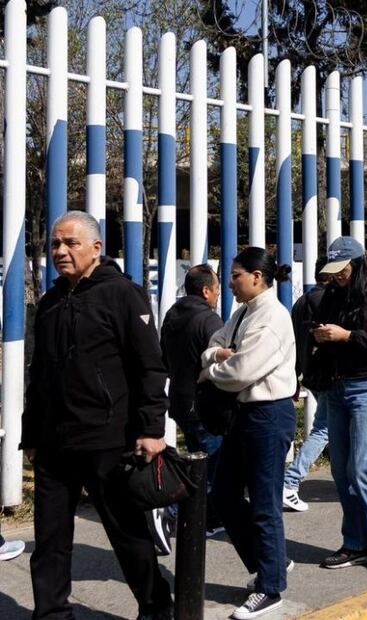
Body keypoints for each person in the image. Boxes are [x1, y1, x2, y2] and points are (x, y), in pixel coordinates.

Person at [23, 211, 173, 619]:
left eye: (70, 243)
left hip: (108, 437)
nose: (60, 251)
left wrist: (151, 429)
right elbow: (40, 373)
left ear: (96, 248)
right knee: (50, 538)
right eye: (55, 243)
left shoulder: (123, 294)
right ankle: (51, 613)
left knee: (127, 533)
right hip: (55, 442)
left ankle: (157, 607)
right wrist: (30, 435)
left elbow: (150, 366)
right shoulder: (52, 300)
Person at [200, 247, 297, 619]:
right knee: (223, 493)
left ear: (257, 277)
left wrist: (212, 369)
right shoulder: (243, 313)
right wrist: (217, 358)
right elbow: (213, 346)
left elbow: (241, 372)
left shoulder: (273, 318)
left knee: (264, 503)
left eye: (236, 274)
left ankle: (270, 587)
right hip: (243, 415)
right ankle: (269, 563)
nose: (229, 282)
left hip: (267, 415)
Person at [299, 237, 367, 572]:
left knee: (363, 468)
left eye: (341, 270)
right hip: (338, 386)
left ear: (357, 263)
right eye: (331, 271)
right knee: (342, 472)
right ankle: (356, 542)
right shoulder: (332, 292)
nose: (336, 277)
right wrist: (320, 335)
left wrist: (347, 336)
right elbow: (328, 328)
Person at [159, 264, 225, 539]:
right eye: (218, 289)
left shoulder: (172, 315)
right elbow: (222, 364)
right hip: (205, 404)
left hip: (179, 400)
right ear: (207, 290)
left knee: (197, 460)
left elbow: (163, 359)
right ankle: (198, 518)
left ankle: (185, 513)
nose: (219, 295)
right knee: (212, 467)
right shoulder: (209, 321)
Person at [281, 258, 329, 513]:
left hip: (310, 374)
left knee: (331, 426)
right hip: (330, 375)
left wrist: (295, 377)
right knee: (325, 428)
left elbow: (295, 343)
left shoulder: (301, 302)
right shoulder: (329, 301)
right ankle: (290, 482)